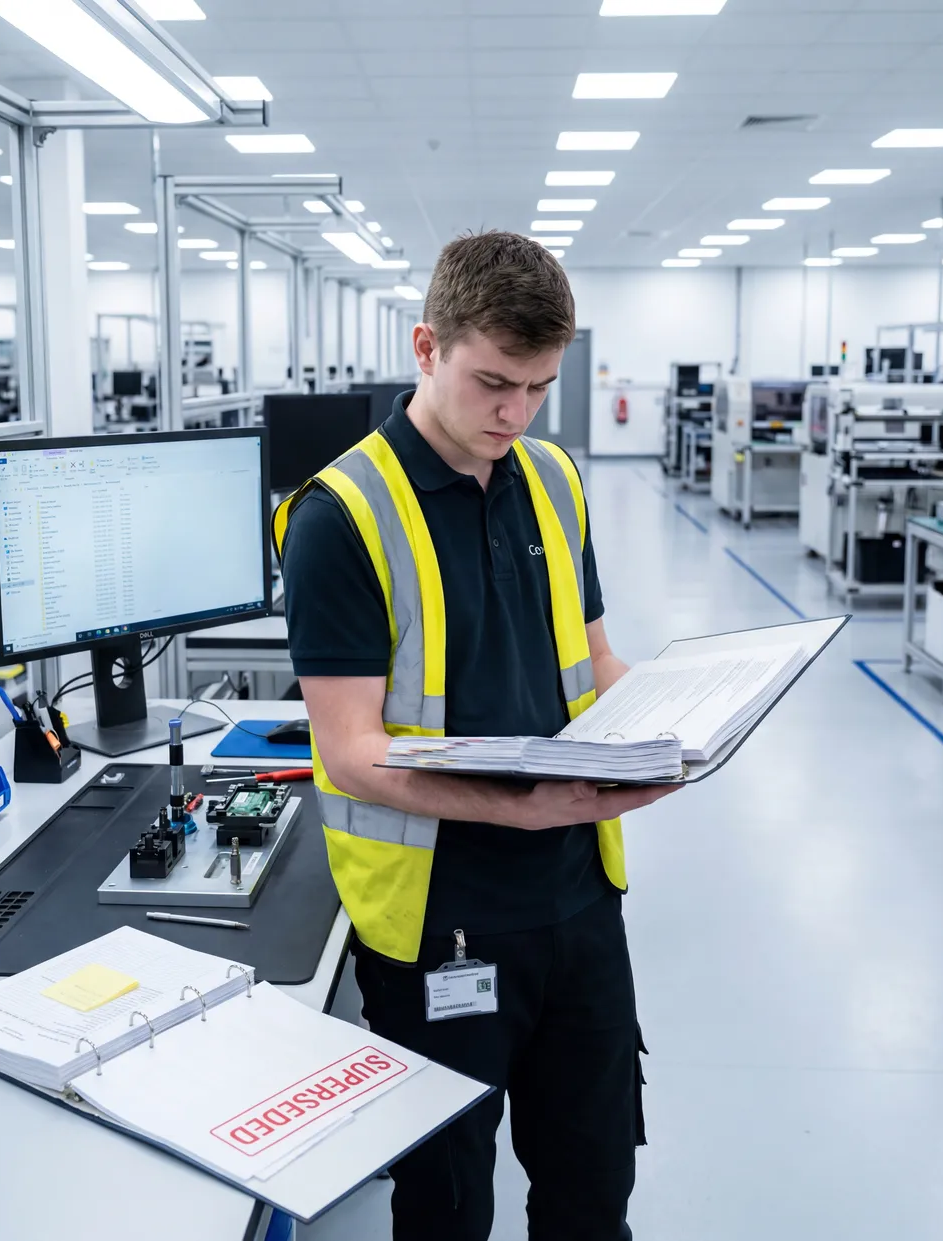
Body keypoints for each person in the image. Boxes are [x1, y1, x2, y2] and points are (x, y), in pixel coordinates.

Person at [278, 231, 679, 1241]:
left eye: (539, 386)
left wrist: (685, 714)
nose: (515, 412)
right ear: (427, 345)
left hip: (582, 898)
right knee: (448, 1201)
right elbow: (350, 750)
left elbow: (592, 661)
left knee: (593, 1186)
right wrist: (518, 801)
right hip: (441, 916)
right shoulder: (340, 514)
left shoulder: (554, 478)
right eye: (494, 381)